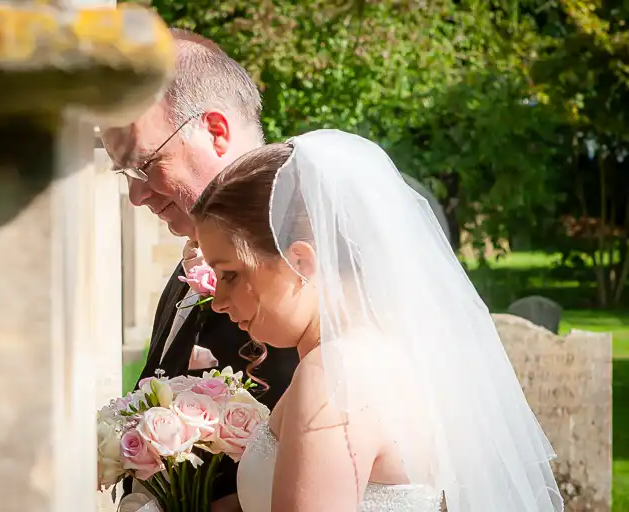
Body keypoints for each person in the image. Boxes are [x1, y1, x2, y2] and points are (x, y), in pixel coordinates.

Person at [191, 129, 565, 511]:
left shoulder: (334, 378)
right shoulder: (390, 352)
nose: (218, 301)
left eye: (231, 274)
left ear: (300, 262)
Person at [100, 29, 299, 510]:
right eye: (124, 172)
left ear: (215, 130)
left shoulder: (300, 259)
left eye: (145, 163)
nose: (137, 194)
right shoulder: (195, 250)